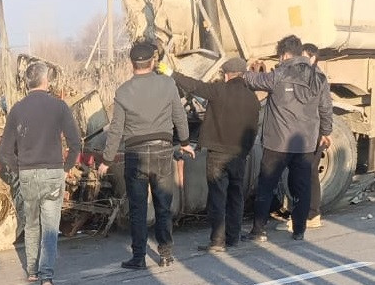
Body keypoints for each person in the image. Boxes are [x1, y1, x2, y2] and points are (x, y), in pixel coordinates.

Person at [98, 42, 195, 270]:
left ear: (132, 64)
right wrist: (185, 143)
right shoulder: (168, 84)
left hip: (135, 154)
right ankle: (165, 254)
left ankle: (139, 257)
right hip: (162, 151)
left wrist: (107, 160)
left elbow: (116, 130)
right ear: (152, 62)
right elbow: (179, 117)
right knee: (163, 205)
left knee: (138, 208)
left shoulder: (122, 92)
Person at [160, 57, 260, 252]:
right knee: (236, 195)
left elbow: (195, 86)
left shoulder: (219, 90)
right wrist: (246, 151)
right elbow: (254, 128)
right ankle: (234, 237)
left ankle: (217, 241)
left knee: (217, 196)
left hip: (218, 155)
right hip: (239, 155)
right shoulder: (252, 98)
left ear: (227, 74)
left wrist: (172, 73)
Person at [0, 61, 81, 285]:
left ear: (26, 83)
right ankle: (46, 276)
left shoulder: (16, 110)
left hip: (27, 173)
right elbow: (75, 143)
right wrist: (66, 168)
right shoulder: (59, 107)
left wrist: (17, 169)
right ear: (46, 81)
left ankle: (32, 271)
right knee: (50, 224)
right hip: (53, 172)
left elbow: (5, 152)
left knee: (32, 222)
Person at [242, 35, 332, 242]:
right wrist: (325, 132)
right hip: (305, 144)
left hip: (277, 143)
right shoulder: (318, 77)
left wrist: (245, 71)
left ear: (283, 54)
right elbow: (326, 108)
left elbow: (253, 80)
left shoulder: (279, 74)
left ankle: (258, 231)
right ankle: (299, 231)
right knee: (302, 187)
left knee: (266, 185)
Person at [279, 42, 330, 232]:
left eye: (305, 56)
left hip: (313, 132)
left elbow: (325, 108)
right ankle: (304, 214)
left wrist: (325, 131)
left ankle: (312, 214)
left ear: (314, 58)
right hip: (305, 132)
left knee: (308, 174)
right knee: (303, 174)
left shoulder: (317, 78)